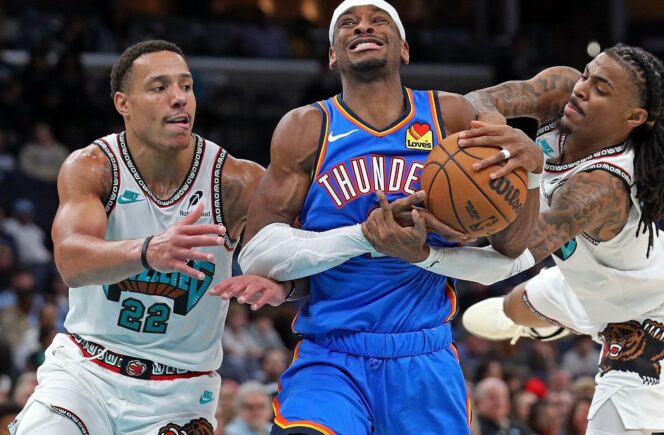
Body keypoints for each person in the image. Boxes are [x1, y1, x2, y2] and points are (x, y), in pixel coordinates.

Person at [211, 1, 546, 433]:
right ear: (332, 55)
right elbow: (257, 252)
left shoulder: (452, 117)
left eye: (378, 21)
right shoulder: (306, 128)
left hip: (424, 358)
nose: (362, 27)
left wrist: (531, 173)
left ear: (404, 48)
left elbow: (511, 248)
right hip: (333, 355)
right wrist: (366, 236)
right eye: (348, 24)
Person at [9, 40, 282, 435]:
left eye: (186, 86)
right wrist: (149, 251)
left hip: (181, 389)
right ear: (123, 103)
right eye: (159, 87)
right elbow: (70, 262)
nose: (179, 98)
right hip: (85, 372)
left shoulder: (236, 180)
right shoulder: (94, 167)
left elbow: (294, 247)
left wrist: (285, 282)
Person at [462, 44, 664, 434]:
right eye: (588, 74)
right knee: (510, 308)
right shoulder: (563, 91)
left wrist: (427, 252)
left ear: (634, 116)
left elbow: (511, 254)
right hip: (588, 283)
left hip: (645, 315)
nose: (582, 89)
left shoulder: (601, 187)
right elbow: (473, 102)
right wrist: (487, 132)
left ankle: (576, 324)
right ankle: (557, 323)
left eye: (601, 89)